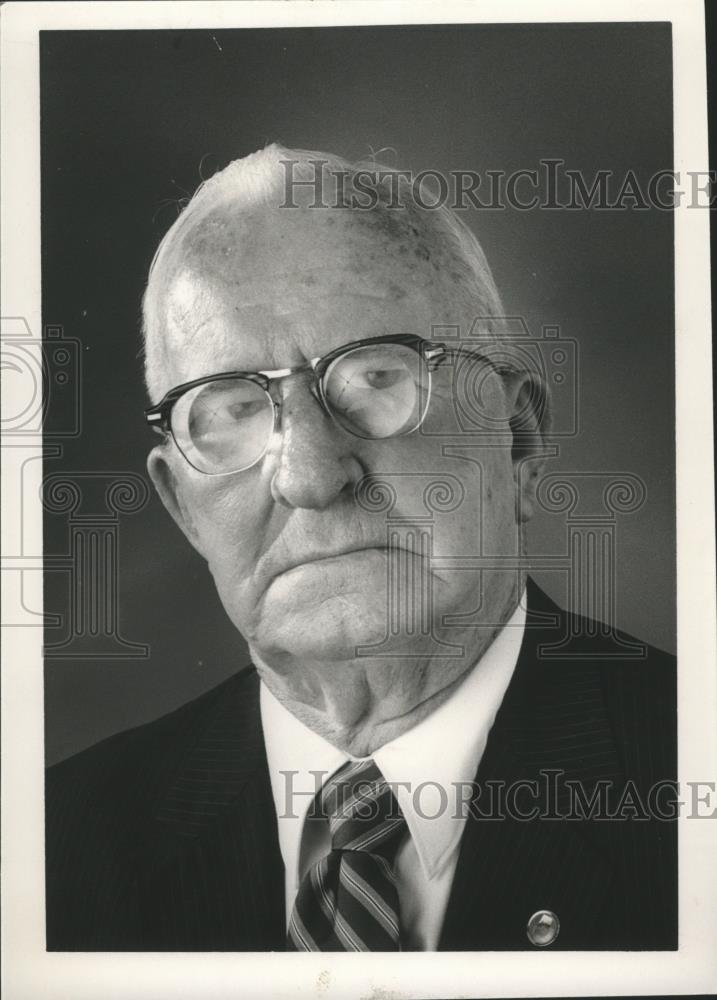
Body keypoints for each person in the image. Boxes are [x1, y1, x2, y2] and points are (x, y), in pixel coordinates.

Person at [45, 145, 676, 952]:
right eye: (232, 408)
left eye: (376, 378)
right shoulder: (53, 853)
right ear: (183, 507)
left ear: (515, 441)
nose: (311, 476)